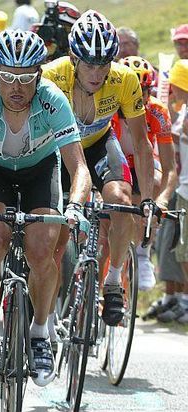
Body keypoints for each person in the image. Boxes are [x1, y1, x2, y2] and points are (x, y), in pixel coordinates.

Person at [0, 29, 92, 386]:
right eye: (8, 77)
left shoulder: (53, 100)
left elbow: (79, 168)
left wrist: (75, 207)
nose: (17, 87)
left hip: (40, 170)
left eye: (26, 78)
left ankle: (39, 333)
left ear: (38, 75)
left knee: (42, 248)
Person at [42, 10, 155, 327]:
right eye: (89, 64)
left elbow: (142, 142)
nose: (97, 72)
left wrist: (146, 199)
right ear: (73, 58)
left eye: (104, 64)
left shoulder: (124, 80)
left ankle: (113, 280)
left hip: (100, 143)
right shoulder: (52, 75)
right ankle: (46, 321)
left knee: (121, 200)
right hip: (58, 149)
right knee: (55, 238)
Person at [113, 56, 177, 290]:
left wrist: (162, 199)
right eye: (133, 91)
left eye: (144, 92)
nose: (139, 99)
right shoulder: (108, 106)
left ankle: (142, 251)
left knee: (155, 182)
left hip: (144, 163)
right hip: (115, 162)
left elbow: (170, 169)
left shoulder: (158, 111)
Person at [156, 59, 188, 324]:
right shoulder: (184, 111)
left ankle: (185, 301)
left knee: (185, 250)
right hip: (182, 188)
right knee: (179, 249)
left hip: (187, 189)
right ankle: (178, 298)